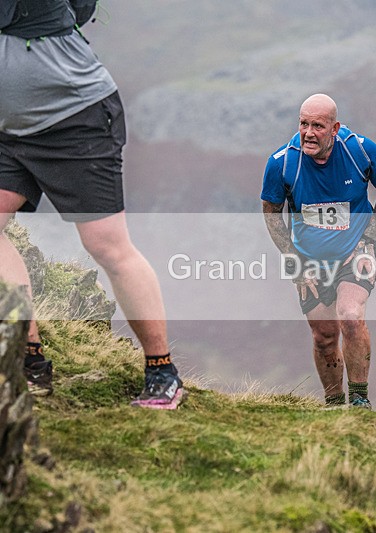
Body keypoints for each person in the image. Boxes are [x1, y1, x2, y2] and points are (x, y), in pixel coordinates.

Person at [0, 0, 184, 409]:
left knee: (107, 245)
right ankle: (28, 359)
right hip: (8, 128)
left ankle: (162, 371)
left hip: (74, 118)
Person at [261, 94, 376, 410]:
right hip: (309, 258)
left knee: (350, 316)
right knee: (323, 337)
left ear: (334, 128)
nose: (308, 133)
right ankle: (334, 406)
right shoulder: (282, 163)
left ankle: (360, 401)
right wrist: (294, 262)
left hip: (355, 250)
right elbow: (271, 213)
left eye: (318, 126)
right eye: (303, 124)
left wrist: (368, 237)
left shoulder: (360, 150)